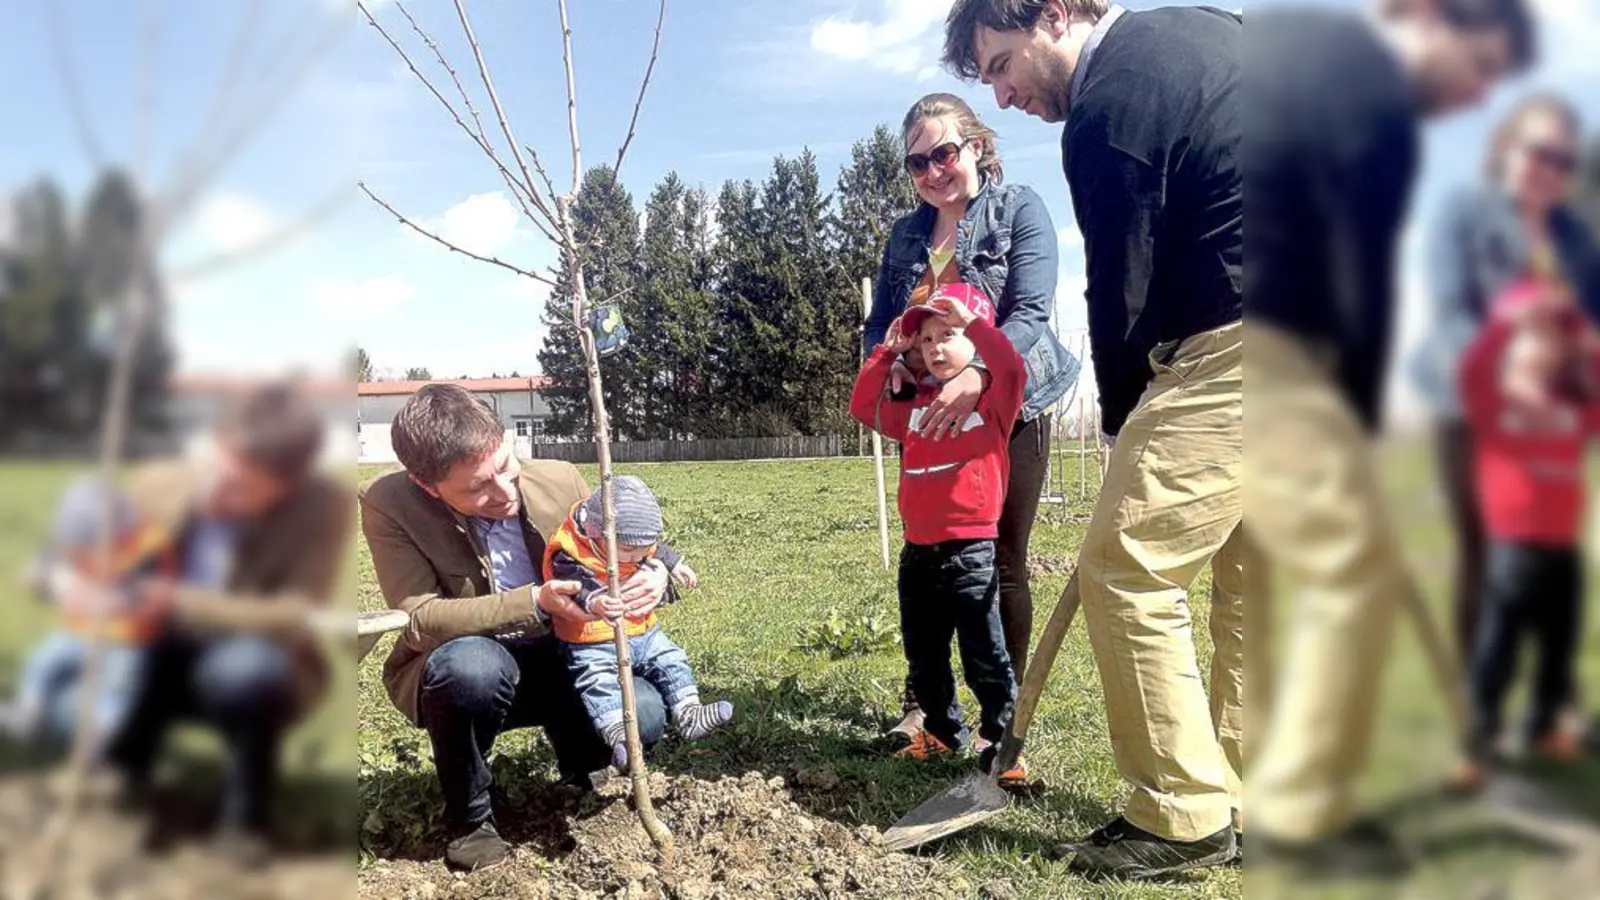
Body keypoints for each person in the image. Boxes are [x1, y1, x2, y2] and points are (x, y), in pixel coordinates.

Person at [944, 0, 1244, 878]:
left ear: (1054, 13)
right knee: (1251, 579)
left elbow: (1120, 288)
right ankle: (1245, 790)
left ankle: (1180, 814)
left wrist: (1122, 420)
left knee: (1127, 570)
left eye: (1001, 64)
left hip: (1239, 345)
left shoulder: (1111, 102)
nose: (1001, 97)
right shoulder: (1209, 29)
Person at [1241, 0, 1533, 878]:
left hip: (1271, 355)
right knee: (1347, 581)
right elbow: (1345, 266)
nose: (1477, 93)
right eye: (1481, 66)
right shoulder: (1358, 82)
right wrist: (1352, 413)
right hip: (1286, 353)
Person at [360, 383, 677, 873]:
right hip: (478, 660)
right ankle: (471, 818)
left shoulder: (561, 478)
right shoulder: (390, 503)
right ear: (428, 486)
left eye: (506, 467)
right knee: (468, 671)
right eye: (477, 488)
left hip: (569, 657)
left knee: (648, 712)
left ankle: (582, 768)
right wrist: (534, 603)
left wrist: (660, 575)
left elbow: (626, 550)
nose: (504, 493)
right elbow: (420, 617)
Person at [864, 91, 1080, 748]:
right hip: (932, 418)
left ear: (978, 147)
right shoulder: (906, 236)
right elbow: (882, 325)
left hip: (1012, 403)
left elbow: (1030, 313)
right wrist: (895, 363)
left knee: (999, 559)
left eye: (944, 154)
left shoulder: (1019, 210)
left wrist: (979, 374)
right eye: (917, 163)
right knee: (926, 556)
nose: (932, 172)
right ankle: (925, 710)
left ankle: (1001, 720)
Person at [95, 381, 353, 868]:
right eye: (222, 468)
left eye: (243, 486)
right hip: (142, 653)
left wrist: (180, 603)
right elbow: (109, 568)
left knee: (248, 672)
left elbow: (292, 612)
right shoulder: (161, 483)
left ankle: (245, 821)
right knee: (78, 699)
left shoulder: (322, 505)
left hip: (245, 653)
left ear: (287, 485)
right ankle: (120, 784)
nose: (222, 487)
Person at [1409, 94, 1600, 671]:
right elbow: (1450, 311)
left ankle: (1550, 707)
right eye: (1539, 153)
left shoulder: (1572, 234)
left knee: (1553, 554)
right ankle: (1481, 718)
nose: (1551, 170)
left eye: (1564, 161)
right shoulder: (1464, 210)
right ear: (1506, 147)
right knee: (1487, 554)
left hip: (1554, 422)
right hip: (1473, 407)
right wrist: (1510, 378)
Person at [851, 284, 1024, 780]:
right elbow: (864, 406)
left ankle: (1001, 741)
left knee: (983, 653)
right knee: (924, 654)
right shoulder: (915, 410)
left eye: (948, 335)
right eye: (926, 340)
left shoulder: (992, 404)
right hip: (917, 553)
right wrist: (889, 352)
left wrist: (975, 327)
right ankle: (943, 734)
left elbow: (1010, 366)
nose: (936, 348)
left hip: (969, 550)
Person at [1453, 279, 1600, 791]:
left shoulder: (1571, 412)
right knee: (1499, 651)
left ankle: (1543, 728)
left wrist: (1575, 331)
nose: (1540, 361)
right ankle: (1480, 744)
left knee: (1558, 648)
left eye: (1551, 354)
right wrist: (1515, 320)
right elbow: (1473, 370)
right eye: (1528, 353)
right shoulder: (1497, 412)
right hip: (1514, 549)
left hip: (1562, 549)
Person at [544, 476, 731, 771]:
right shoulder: (569, 549)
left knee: (672, 658)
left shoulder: (631, 538)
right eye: (629, 552)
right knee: (598, 682)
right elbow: (572, 582)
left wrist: (677, 565)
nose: (638, 557)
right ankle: (618, 735)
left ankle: (688, 712)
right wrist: (594, 600)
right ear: (596, 533)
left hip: (643, 630)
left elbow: (657, 550)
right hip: (591, 640)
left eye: (642, 550)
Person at [0, 479, 175, 759]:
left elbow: (147, 594)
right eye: (74, 550)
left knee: (117, 686)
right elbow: (46, 561)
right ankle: (28, 709)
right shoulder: (72, 538)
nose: (77, 556)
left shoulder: (148, 546)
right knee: (43, 660)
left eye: (85, 551)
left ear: (115, 536)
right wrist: (47, 575)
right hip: (78, 631)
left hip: (125, 639)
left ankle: (100, 736)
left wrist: (112, 602)